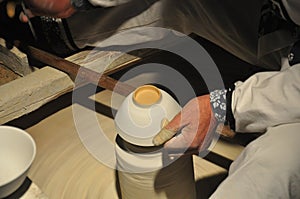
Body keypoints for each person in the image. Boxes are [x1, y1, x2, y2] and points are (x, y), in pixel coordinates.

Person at [4, 0, 300, 198]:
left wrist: (226, 106)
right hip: (285, 29)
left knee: (275, 163)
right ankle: (54, 29)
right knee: (180, 4)